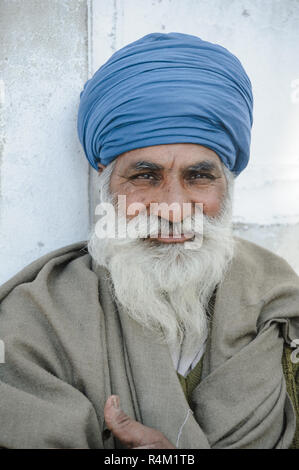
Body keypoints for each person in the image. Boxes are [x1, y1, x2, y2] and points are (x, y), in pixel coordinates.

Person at [0, 32, 299, 449]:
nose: (174, 209)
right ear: (104, 180)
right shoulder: (33, 324)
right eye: (145, 176)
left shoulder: (281, 304)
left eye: (199, 176)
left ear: (227, 185)